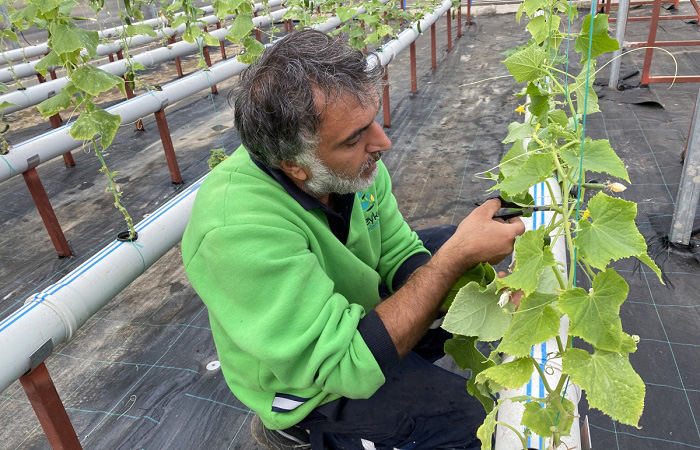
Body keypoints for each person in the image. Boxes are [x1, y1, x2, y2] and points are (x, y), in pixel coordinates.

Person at [181, 29, 525, 450]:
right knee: (471, 424)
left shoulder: (349, 171)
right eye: (353, 139)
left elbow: (399, 251)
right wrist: (452, 262)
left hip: (352, 320)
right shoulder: (234, 229)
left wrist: (485, 285)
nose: (382, 142)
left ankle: (400, 345)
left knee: (452, 249)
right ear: (295, 166)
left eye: (372, 122)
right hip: (314, 381)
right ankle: (297, 430)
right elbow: (344, 364)